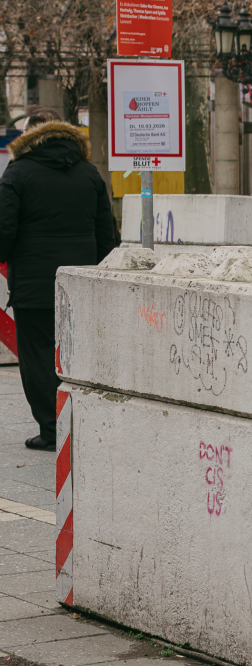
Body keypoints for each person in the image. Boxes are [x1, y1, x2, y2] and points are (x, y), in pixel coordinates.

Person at [0, 118, 117, 451]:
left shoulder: (17, 173)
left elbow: (4, 233)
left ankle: (52, 430)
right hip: (80, 283)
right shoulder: (89, 173)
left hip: (35, 288)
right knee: (78, 355)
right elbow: (106, 234)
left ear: (30, 138)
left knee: (37, 356)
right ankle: (81, 423)